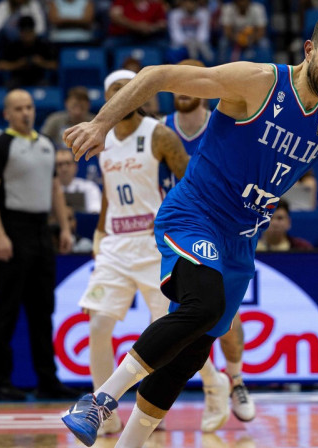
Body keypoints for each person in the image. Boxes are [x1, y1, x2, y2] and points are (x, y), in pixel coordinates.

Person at [60, 12, 318, 448]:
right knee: (204, 304)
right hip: (195, 214)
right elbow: (157, 75)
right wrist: (101, 123)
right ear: (309, 50)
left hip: (240, 243)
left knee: (189, 354)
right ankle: (98, 400)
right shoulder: (258, 82)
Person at [76, 69, 189, 435]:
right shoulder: (101, 138)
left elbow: (190, 181)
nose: (121, 95)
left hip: (154, 243)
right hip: (114, 244)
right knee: (98, 324)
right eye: (114, 91)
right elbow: (110, 193)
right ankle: (104, 414)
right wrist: (98, 238)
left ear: (138, 95)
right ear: (107, 98)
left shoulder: (158, 133)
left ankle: (156, 406)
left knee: (167, 333)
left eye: (127, 90)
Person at [159, 59, 257, 432]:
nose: (184, 89)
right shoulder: (160, 131)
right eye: (178, 82)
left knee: (224, 318)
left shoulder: (229, 119)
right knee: (181, 320)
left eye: (192, 81)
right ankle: (196, 390)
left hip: (224, 227)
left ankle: (235, 380)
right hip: (180, 225)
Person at [0, 89, 77, 401]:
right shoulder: (2, 145)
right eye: (18, 108)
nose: (26, 113)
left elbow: (55, 188)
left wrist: (65, 228)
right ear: (7, 114)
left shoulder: (45, 144)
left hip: (42, 231)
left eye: (29, 107)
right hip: (12, 229)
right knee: (7, 310)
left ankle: (47, 380)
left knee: (44, 309)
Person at [0, 16, 58, 89]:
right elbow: (0, 65)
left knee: (46, 86)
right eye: (25, 32)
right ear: (20, 33)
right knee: (10, 85)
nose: (27, 36)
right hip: (18, 78)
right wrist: (18, 64)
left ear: (34, 32)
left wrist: (41, 63)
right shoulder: (13, 46)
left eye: (29, 32)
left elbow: (55, 65)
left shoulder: (43, 45)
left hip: (38, 78)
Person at [56, 148, 101, 214]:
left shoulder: (90, 188)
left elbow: (95, 212)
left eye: (68, 163)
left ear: (75, 166)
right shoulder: (48, 190)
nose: (64, 169)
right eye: (60, 164)